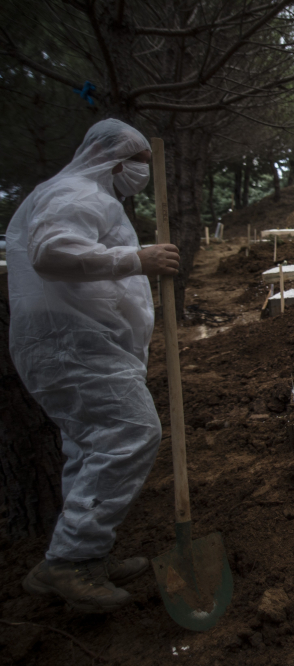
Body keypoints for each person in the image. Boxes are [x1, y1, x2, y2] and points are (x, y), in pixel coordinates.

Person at [8, 119, 180, 612]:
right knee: (132, 432)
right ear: (113, 159)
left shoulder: (84, 195)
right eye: (139, 164)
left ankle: (81, 555)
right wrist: (138, 260)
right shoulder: (76, 193)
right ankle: (73, 561)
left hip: (81, 341)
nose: (142, 175)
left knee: (90, 445)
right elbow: (51, 252)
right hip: (73, 343)